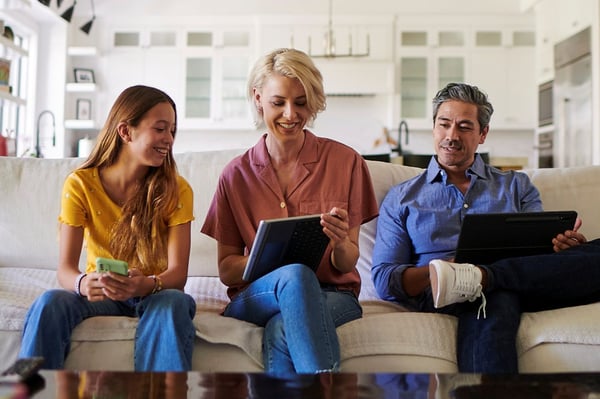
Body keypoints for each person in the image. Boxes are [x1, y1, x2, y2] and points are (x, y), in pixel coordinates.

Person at [371, 82, 600, 373]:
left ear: (483, 134)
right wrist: (445, 269)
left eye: (465, 127)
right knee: (494, 297)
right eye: (444, 124)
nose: (452, 136)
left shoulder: (516, 186)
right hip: (448, 292)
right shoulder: (403, 197)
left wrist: (564, 250)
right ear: (434, 127)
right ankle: (483, 279)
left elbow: (540, 259)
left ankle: (485, 276)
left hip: (523, 281)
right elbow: (384, 279)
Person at [201, 48, 379, 376]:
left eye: (301, 102)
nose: (290, 114)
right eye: (278, 102)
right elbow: (227, 271)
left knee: (283, 328)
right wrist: (265, 260)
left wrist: (340, 243)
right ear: (257, 98)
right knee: (295, 275)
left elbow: (346, 263)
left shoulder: (346, 162)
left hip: (333, 294)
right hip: (259, 295)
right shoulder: (235, 175)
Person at [18, 85, 197, 371]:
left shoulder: (177, 190)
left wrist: (147, 283)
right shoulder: (80, 185)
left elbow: (177, 276)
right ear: (126, 132)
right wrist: (82, 283)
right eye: (160, 129)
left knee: (173, 302)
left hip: (154, 291)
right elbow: (65, 270)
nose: (169, 139)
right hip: (103, 294)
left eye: (172, 130)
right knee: (50, 302)